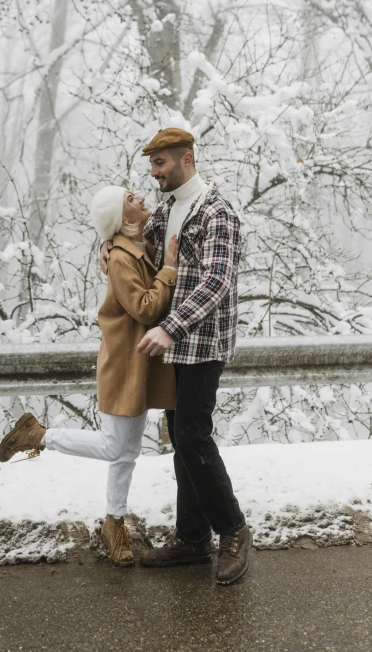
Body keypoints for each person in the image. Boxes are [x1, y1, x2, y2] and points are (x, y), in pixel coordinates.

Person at [0, 185, 179, 568]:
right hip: (123, 364)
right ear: (121, 217)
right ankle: (38, 435)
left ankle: (113, 523)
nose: (141, 198)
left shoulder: (134, 246)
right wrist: (169, 272)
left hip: (140, 363)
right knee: (116, 447)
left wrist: (114, 244)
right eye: (131, 199)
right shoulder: (121, 260)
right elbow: (145, 309)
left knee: (127, 452)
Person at [100, 127, 252, 585]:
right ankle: (191, 538)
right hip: (174, 345)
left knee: (192, 435)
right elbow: (131, 243)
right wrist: (105, 246)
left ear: (186, 159)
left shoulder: (217, 211)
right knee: (179, 435)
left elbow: (216, 282)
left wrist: (170, 327)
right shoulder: (166, 208)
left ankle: (234, 531)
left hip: (202, 342)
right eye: (151, 165)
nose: (154, 173)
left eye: (161, 164)